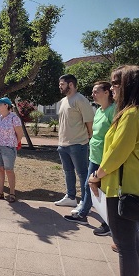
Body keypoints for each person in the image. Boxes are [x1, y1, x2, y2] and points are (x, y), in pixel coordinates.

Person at [89, 65, 139, 276]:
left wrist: (96, 176)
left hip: (122, 189)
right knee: (132, 243)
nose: (111, 88)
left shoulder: (130, 115)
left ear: (128, 85)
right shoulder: (131, 112)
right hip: (127, 185)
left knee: (124, 245)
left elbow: (117, 153)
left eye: (115, 84)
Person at [63, 81, 115, 236]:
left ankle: (108, 223)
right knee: (88, 186)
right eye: (92, 91)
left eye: (96, 91)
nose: (93, 94)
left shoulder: (114, 110)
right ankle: (83, 215)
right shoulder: (99, 111)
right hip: (94, 156)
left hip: (106, 159)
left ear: (107, 92)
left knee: (105, 191)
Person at [55, 74, 94, 207]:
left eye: (62, 84)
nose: (60, 86)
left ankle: (84, 200)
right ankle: (71, 197)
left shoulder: (80, 99)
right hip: (63, 144)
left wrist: (89, 137)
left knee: (82, 173)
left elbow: (89, 122)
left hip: (78, 144)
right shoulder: (63, 101)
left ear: (71, 84)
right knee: (68, 172)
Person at [0, 97, 23, 203]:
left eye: (0, 104)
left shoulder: (14, 118)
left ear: (6, 105)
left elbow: (20, 134)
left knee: (9, 170)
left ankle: (12, 193)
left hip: (8, 147)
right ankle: (0, 192)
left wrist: (12, 143)